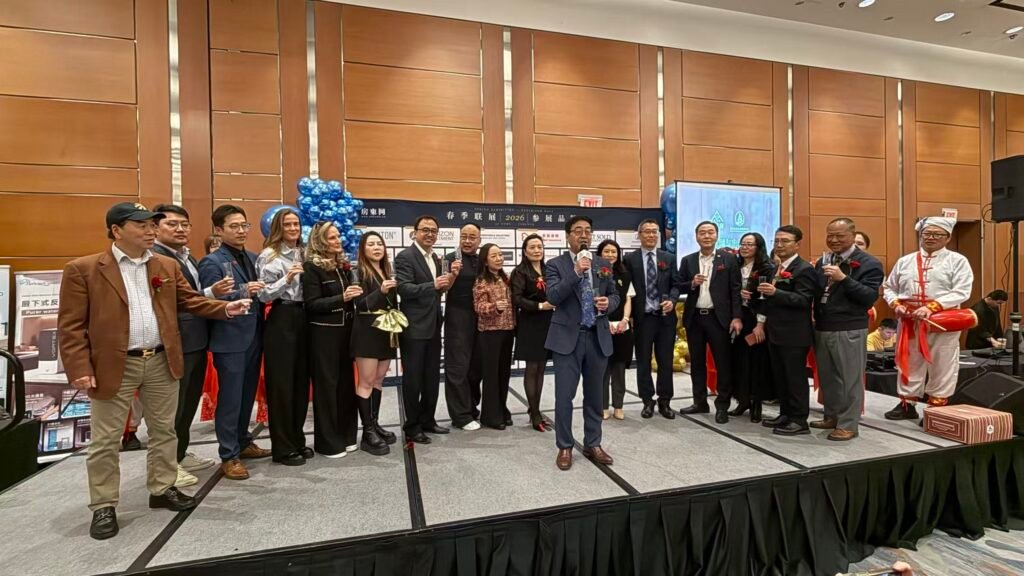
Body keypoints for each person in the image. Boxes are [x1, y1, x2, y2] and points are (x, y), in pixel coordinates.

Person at [58, 202, 247, 540]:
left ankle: (162, 488)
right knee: (105, 440)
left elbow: (189, 301)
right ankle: (103, 504)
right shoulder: (84, 269)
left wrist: (224, 308)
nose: (150, 231)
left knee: (164, 430)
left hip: (161, 359)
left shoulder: (165, 265)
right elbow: (70, 326)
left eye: (151, 225)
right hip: (115, 363)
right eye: (141, 225)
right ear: (117, 230)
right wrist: (79, 368)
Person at [151, 204, 233, 486]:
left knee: (188, 404)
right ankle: (167, 466)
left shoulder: (187, 257)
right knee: (172, 409)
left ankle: (180, 454)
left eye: (184, 224)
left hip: (197, 340)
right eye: (172, 224)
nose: (180, 229)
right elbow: (172, 300)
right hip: (176, 343)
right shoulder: (155, 259)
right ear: (155, 228)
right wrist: (211, 293)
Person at [198, 205, 272, 480]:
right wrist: (243, 290)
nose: (241, 231)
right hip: (229, 339)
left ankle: (243, 441)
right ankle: (228, 455)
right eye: (234, 226)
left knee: (246, 395)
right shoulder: (212, 262)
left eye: (244, 225)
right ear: (219, 230)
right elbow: (208, 302)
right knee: (230, 399)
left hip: (254, 334)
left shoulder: (252, 257)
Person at [546, 216, 620, 470]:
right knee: (564, 397)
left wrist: (608, 303)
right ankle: (565, 446)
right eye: (577, 231)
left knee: (595, 396)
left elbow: (615, 294)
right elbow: (553, 295)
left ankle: (593, 443)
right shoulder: (555, 264)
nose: (583, 235)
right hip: (568, 338)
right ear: (568, 236)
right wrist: (576, 271)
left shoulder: (602, 263)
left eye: (588, 230)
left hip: (597, 336)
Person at [883, 217, 973, 420]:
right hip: (909, 320)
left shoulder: (958, 261)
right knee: (909, 360)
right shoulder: (905, 261)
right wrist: (896, 304)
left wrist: (932, 307)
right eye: (927, 234)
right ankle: (907, 403)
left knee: (942, 361)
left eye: (937, 234)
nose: (931, 238)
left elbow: (962, 291)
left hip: (942, 320)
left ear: (947, 238)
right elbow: (889, 287)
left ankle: (936, 407)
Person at [810, 218, 885, 441]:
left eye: (840, 236)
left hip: (849, 327)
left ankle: (849, 424)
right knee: (828, 377)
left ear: (853, 236)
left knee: (849, 378)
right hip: (823, 325)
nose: (834, 240)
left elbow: (869, 297)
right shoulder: (824, 261)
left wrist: (843, 279)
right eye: (830, 235)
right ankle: (831, 415)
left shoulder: (869, 263)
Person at [302, 222, 363, 457]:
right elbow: (312, 304)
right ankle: (327, 442)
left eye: (338, 236)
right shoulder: (312, 268)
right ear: (319, 241)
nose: (338, 241)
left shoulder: (342, 266)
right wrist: (342, 298)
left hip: (346, 332)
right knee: (327, 388)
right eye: (332, 238)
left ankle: (347, 435)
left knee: (346, 386)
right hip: (324, 334)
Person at [256, 208, 310, 466]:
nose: (293, 228)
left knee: (300, 384)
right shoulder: (269, 255)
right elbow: (263, 294)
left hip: (305, 317)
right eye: (288, 224)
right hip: (282, 317)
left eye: (296, 223)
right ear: (278, 227)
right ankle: (282, 447)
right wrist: (287, 279)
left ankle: (297, 439)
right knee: (282, 385)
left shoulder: (305, 252)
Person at [676, 221, 742, 423]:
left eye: (710, 232)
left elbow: (735, 290)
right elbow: (678, 286)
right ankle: (699, 402)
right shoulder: (688, 260)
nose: (706, 236)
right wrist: (692, 283)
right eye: (702, 233)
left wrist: (736, 316)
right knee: (697, 363)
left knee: (723, 363)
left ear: (717, 236)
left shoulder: (728, 259)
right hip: (695, 317)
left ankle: (722, 405)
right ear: (696, 236)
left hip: (718, 318)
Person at [395, 215, 452, 444]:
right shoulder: (405, 256)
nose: (430, 234)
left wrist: (444, 284)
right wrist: (433, 285)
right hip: (414, 327)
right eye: (425, 230)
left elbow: (437, 290)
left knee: (431, 376)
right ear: (415, 232)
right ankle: (412, 426)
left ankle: (428, 419)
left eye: (433, 231)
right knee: (413, 378)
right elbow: (404, 289)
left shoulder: (435, 258)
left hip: (434, 324)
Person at [758, 225, 817, 436]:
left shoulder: (804, 269)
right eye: (776, 241)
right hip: (775, 331)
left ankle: (799, 420)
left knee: (795, 378)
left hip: (794, 333)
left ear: (797, 244)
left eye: (785, 241)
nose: (779, 245)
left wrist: (776, 292)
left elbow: (804, 300)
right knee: (780, 376)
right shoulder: (775, 268)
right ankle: (785, 414)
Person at [623, 219, 679, 419]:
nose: (651, 235)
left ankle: (665, 401)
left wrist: (672, 300)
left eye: (654, 231)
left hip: (665, 318)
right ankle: (647, 400)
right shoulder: (630, 259)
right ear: (639, 235)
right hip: (642, 318)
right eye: (646, 231)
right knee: (643, 361)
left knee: (665, 361)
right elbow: (626, 289)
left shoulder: (668, 258)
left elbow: (676, 284)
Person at [351, 231, 399, 455]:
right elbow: (360, 305)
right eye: (371, 244)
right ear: (363, 249)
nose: (377, 247)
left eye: (379, 243)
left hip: (385, 330)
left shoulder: (387, 270)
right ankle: (367, 432)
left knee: (379, 380)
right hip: (367, 332)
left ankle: (375, 423)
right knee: (366, 382)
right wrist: (381, 291)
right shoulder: (359, 272)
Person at [510, 234, 554, 432]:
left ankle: (535, 409)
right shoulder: (520, 272)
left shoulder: (549, 269)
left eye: (540, 247)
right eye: (532, 247)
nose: (537, 250)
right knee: (532, 368)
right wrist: (539, 306)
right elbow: (517, 298)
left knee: (542, 367)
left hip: (548, 323)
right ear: (525, 251)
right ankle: (535, 414)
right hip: (530, 322)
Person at [442, 223, 481, 430]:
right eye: (464, 236)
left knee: (475, 368)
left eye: (472, 237)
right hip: (458, 317)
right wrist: (452, 274)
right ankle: (460, 416)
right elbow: (442, 287)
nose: (467, 241)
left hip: (481, 318)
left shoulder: (482, 259)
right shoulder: (449, 259)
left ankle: (472, 408)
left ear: (479, 240)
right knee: (458, 366)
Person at [473, 244, 516, 429]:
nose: (499, 258)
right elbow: (478, 307)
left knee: (504, 374)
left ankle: (502, 409)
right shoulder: (481, 280)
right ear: (485, 260)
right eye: (494, 256)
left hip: (507, 331)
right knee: (491, 375)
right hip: (490, 333)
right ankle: (490, 416)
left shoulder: (505, 278)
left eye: (500, 255)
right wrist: (494, 307)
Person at [733, 232, 774, 423]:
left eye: (750, 244)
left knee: (756, 363)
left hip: (756, 320)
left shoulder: (767, 268)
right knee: (739, 362)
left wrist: (760, 324)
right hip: (737, 319)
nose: (745, 247)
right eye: (743, 244)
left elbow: (767, 300)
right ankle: (742, 401)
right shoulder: (735, 266)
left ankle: (756, 403)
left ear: (759, 247)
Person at [598, 239, 634, 421]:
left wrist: (625, 320)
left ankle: (618, 406)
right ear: (600, 254)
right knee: (602, 370)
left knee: (619, 370)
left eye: (614, 251)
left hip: (622, 328)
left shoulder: (625, 274)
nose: (610, 255)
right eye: (606, 251)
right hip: (602, 327)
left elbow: (628, 299)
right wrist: (605, 323)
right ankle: (603, 406)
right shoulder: (594, 273)